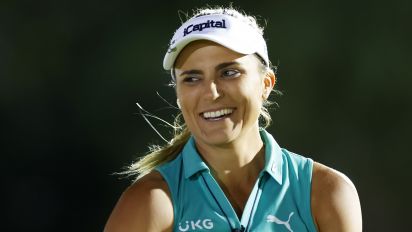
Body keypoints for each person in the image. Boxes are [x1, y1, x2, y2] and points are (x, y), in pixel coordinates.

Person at [104, 6, 362, 232]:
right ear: (178, 93)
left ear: (266, 84)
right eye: (192, 78)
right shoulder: (150, 202)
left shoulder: (326, 192)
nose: (211, 92)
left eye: (229, 72)